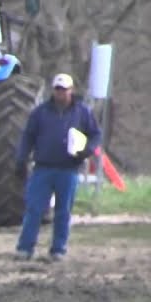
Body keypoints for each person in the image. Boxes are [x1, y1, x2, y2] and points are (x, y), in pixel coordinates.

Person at [14, 72, 101, 262]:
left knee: (63, 212)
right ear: (53, 90)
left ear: (71, 90)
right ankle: (25, 247)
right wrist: (21, 158)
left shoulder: (82, 112)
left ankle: (58, 249)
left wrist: (87, 150)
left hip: (68, 169)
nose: (61, 93)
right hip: (43, 168)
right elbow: (28, 136)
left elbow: (95, 135)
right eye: (57, 89)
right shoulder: (40, 112)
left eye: (64, 90)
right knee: (34, 209)